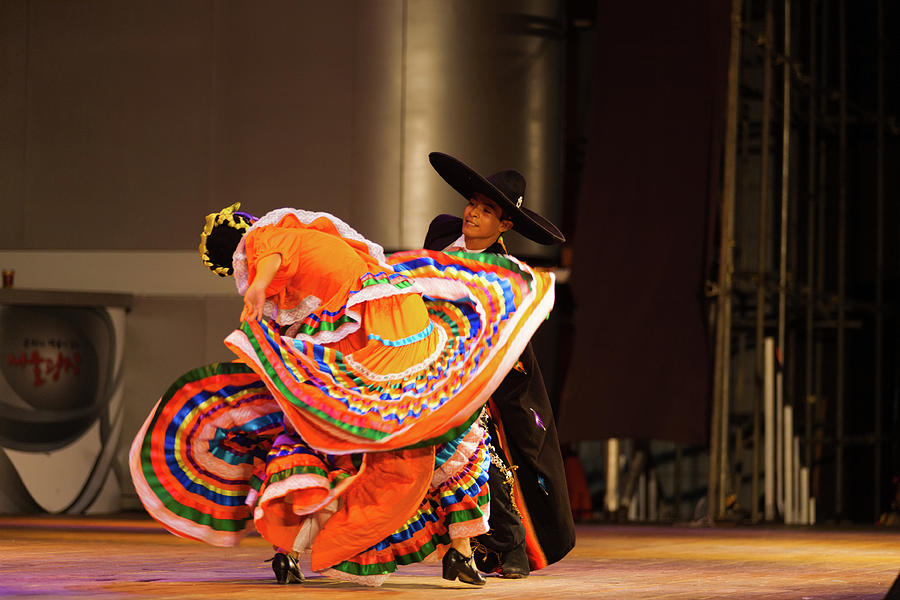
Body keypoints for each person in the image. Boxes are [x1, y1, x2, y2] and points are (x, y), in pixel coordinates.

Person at [129, 203, 556, 587]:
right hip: (393, 318)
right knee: (429, 427)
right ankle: (459, 553)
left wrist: (258, 286)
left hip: (373, 323)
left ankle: (289, 550)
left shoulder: (265, 242)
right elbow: (297, 274)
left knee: (326, 433)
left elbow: (272, 258)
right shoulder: (305, 244)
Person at [424, 152, 576, 578]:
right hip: (434, 365)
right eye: (473, 203)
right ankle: (462, 545)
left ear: (504, 225)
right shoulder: (441, 236)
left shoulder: (508, 272)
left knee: (490, 456)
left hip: (494, 373)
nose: (472, 213)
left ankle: (510, 548)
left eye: (486, 210)